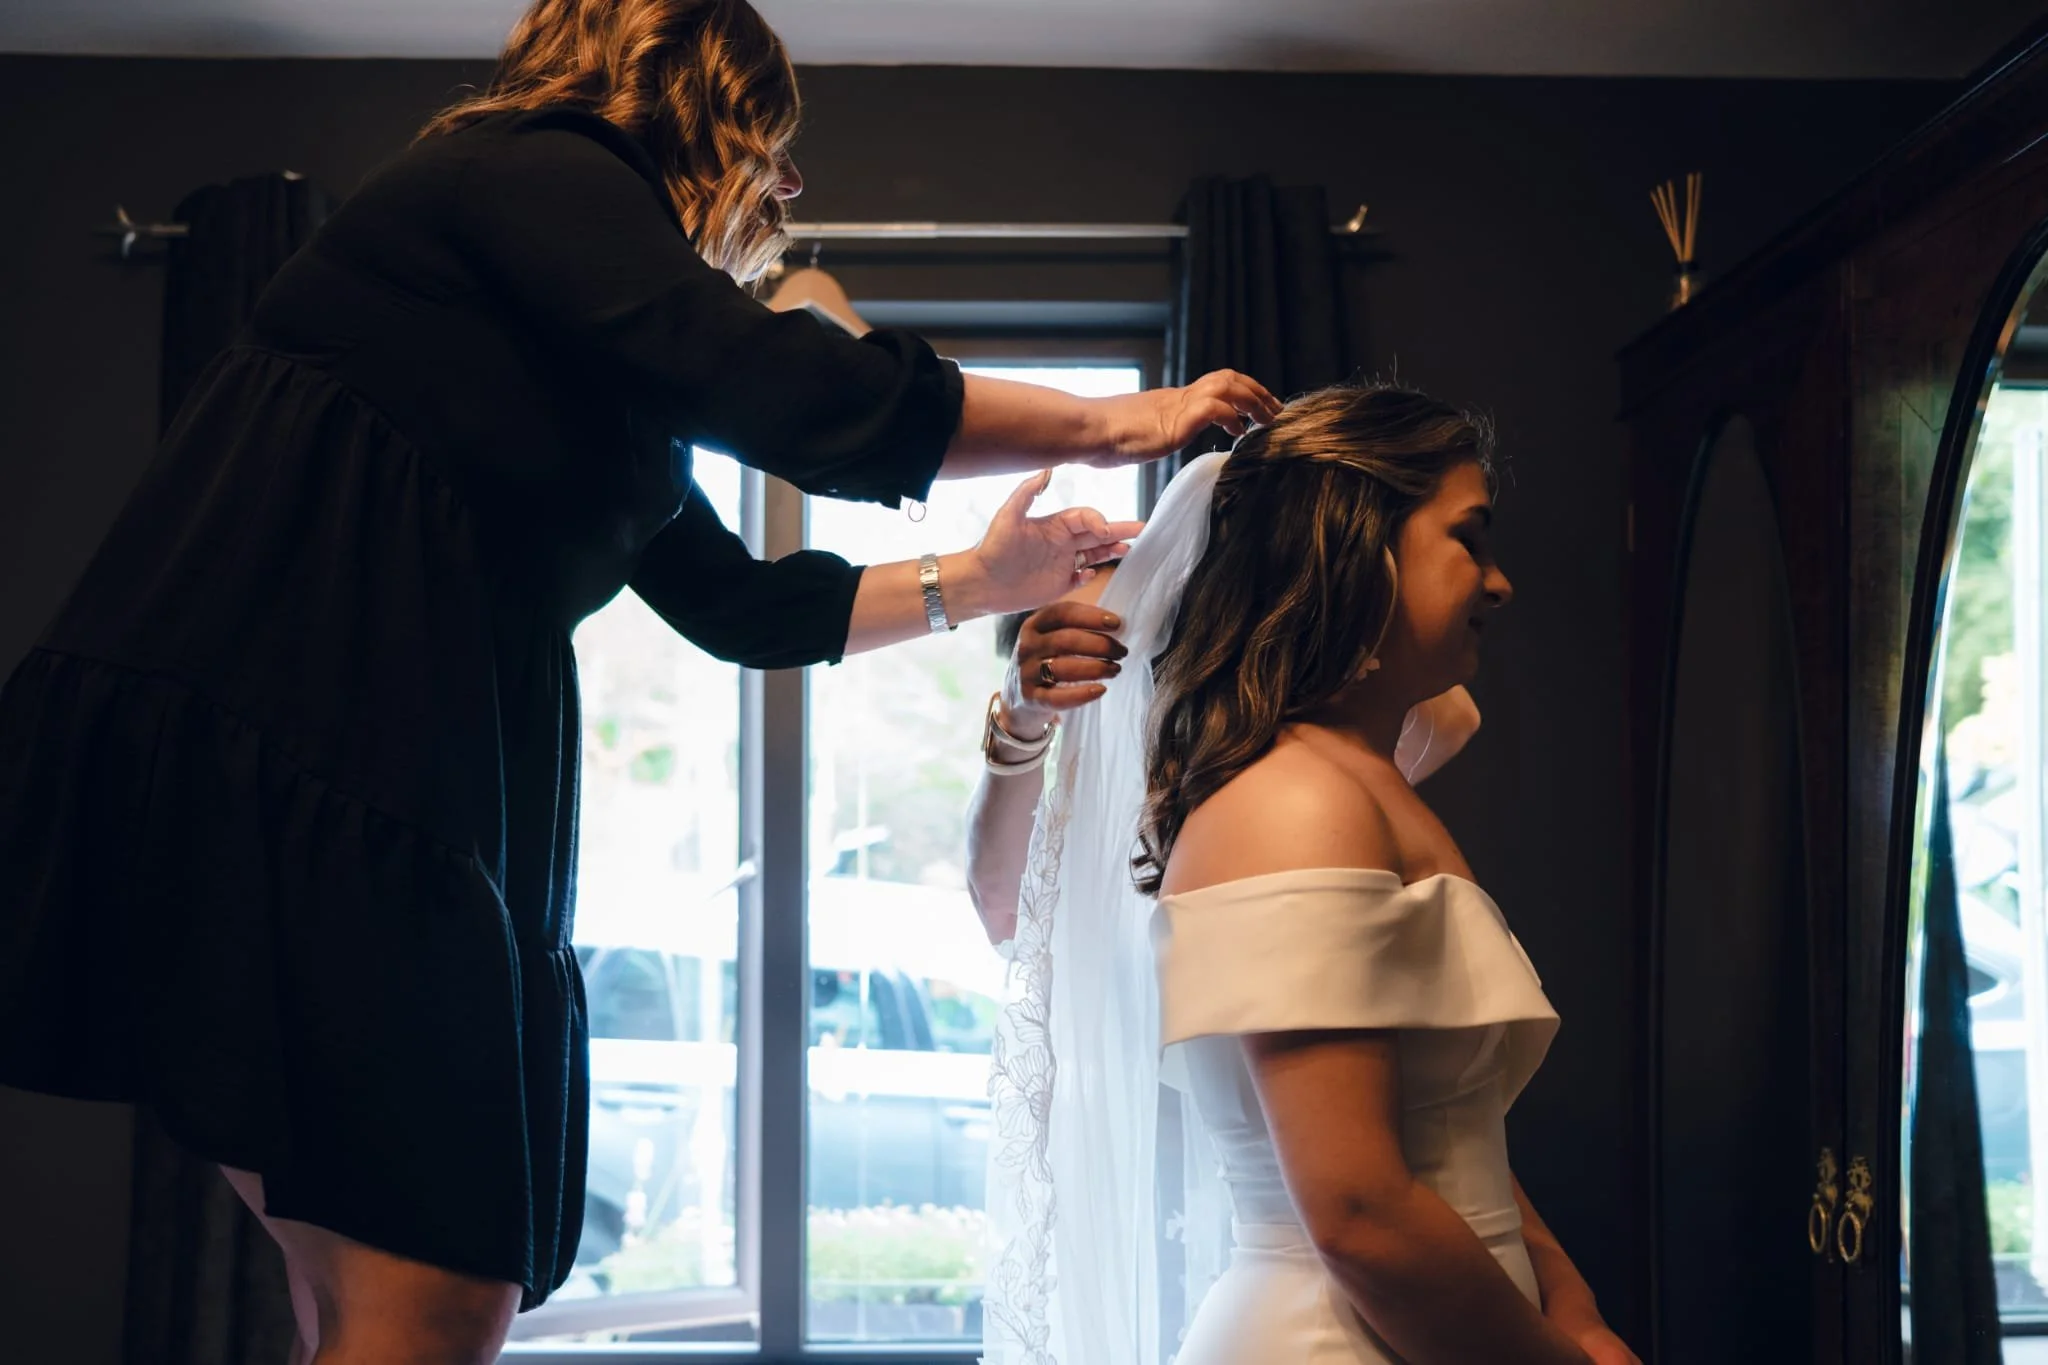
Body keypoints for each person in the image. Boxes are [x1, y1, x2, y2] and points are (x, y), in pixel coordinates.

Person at [0, 1, 1279, 1360]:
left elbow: (751, 606)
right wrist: (1127, 415)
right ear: (697, 106)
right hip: (297, 747)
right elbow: (793, 393)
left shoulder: (580, 379)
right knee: (433, 1298)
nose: (785, 187)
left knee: (368, 1303)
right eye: (772, 142)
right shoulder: (525, 172)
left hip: (376, 780)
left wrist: (990, 572)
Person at [978, 383, 1640, 1365]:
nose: (1497, 584)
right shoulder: (1290, 808)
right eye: (1468, 538)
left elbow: (1442, 1140)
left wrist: (1571, 1307)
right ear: (1357, 550)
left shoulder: (1359, 780)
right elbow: (1362, 1216)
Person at [966, 600, 1481, 948]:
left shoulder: (1263, 769)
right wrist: (1017, 720)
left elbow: (1454, 721)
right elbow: (1003, 913)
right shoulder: (1067, 822)